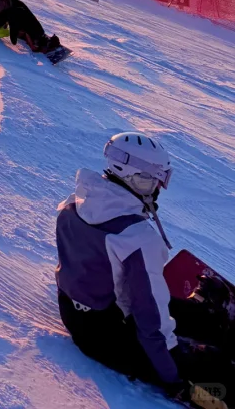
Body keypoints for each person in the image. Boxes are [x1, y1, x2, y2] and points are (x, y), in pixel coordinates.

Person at [56, 133, 234, 408]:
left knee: (200, 319)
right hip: (108, 337)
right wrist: (173, 377)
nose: (159, 188)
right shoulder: (137, 237)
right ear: (140, 180)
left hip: (75, 314)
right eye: (157, 181)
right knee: (216, 364)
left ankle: (206, 318)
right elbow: (151, 323)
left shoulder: (73, 204)